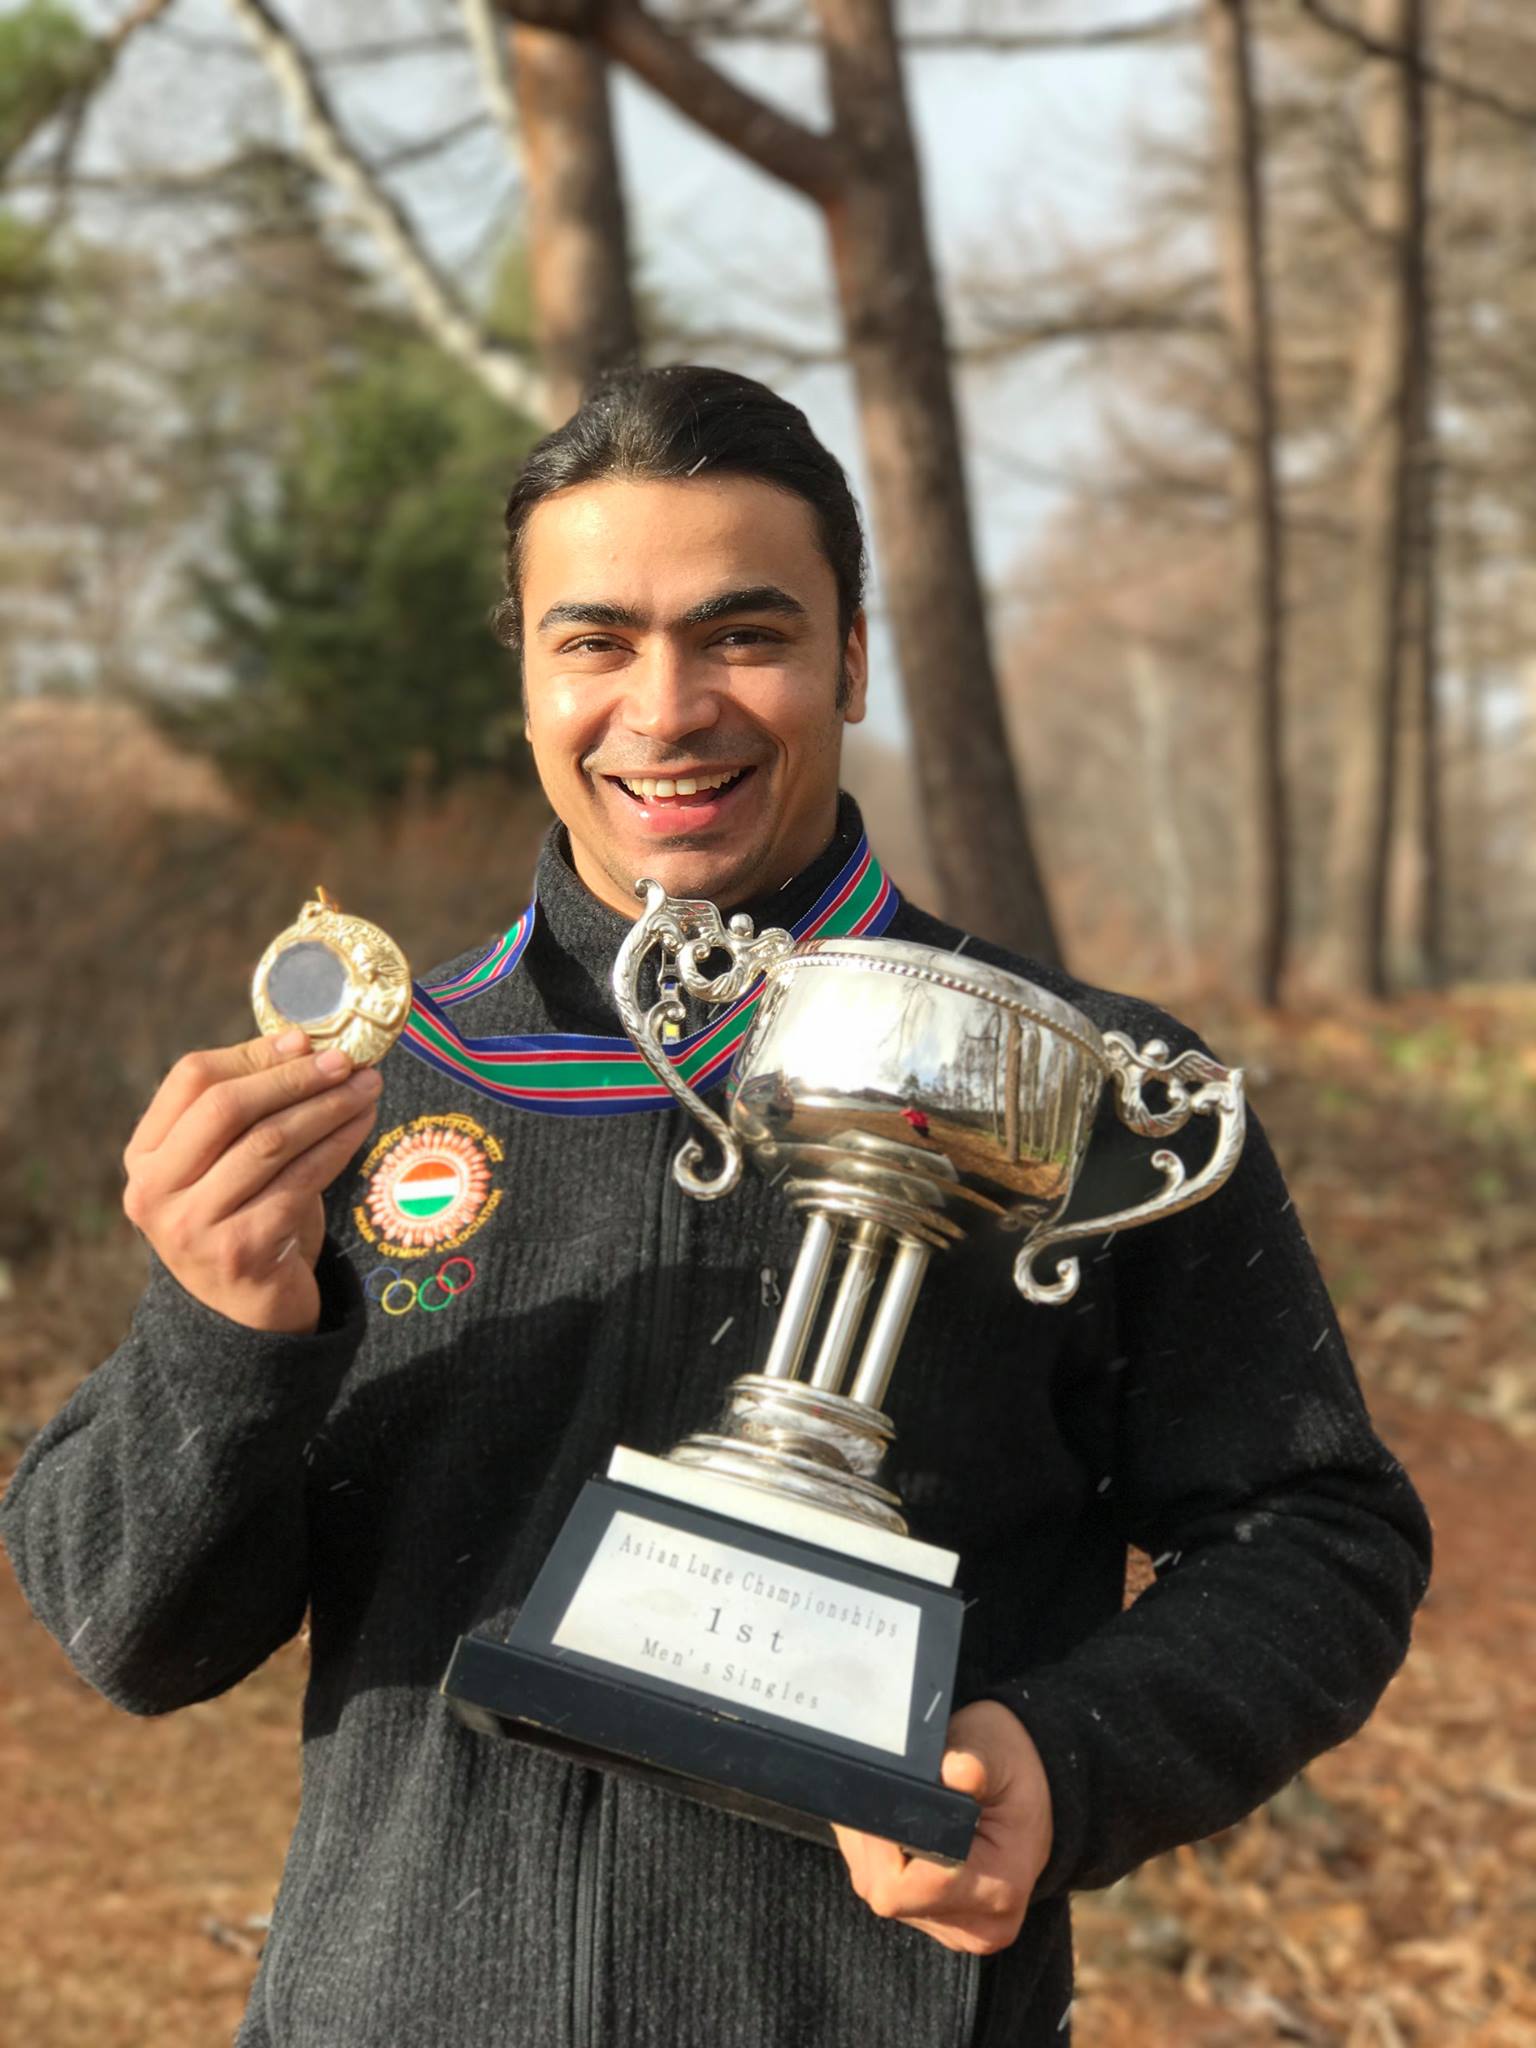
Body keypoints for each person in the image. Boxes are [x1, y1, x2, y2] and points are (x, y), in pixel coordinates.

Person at [0, 366, 1431, 2047]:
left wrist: (1065, 1762)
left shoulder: (1081, 1099)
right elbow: (127, 1632)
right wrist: (223, 1330)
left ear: (850, 655)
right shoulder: (382, 1086)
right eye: (593, 640)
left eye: (742, 634)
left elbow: (1323, 1534)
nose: (665, 710)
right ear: (527, 674)